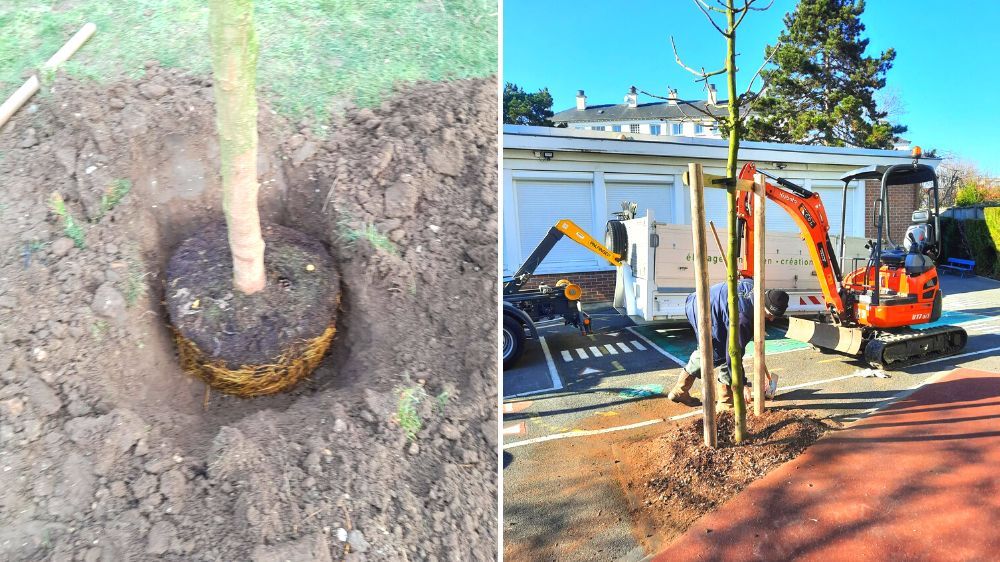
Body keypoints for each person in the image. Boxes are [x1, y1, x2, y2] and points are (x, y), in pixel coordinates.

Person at [667, 278, 788, 407]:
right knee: (721, 352)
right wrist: (742, 384)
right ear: (762, 303)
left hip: (702, 301)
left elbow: (743, 280)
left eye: (774, 316)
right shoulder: (744, 318)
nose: (771, 319)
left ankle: (680, 390)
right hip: (705, 309)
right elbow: (733, 353)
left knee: (712, 350)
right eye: (769, 314)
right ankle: (725, 403)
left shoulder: (754, 286)